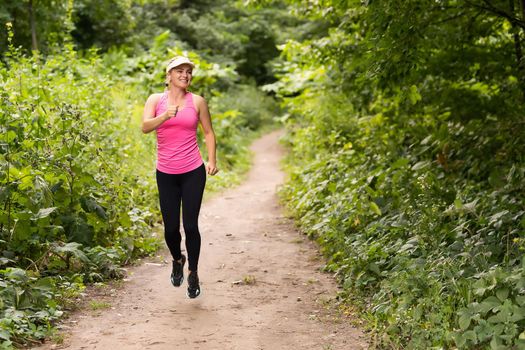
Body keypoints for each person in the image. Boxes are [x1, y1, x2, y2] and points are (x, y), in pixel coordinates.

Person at [142, 56, 218, 299]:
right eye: (179, 71)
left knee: (191, 225)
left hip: (193, 171)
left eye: (188, 72)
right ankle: (178, 259)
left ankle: (193, 273)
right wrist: (165, 115)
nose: (185, 75)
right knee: (171, 229)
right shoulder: (156, 100)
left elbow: (208, 132)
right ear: (169, 75)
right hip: (166, 173)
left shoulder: (197, 102)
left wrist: (212, 160)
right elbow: (145, 126)